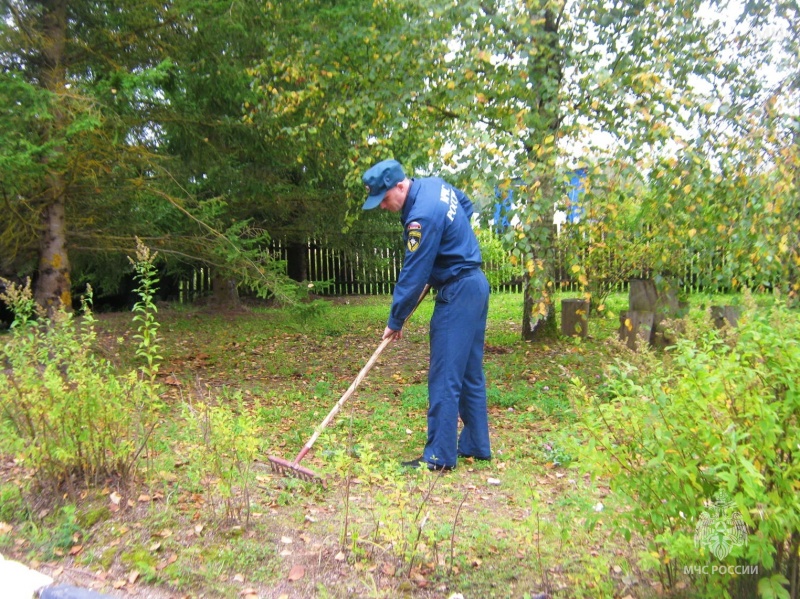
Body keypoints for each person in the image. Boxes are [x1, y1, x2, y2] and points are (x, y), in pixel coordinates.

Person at [361, 158, 492, 471]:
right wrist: (453, 239)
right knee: (469, 373)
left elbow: (414, 273)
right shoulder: (435, 185)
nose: (382, 207)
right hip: (475, 285)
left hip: (458, 293)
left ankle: (439, 456)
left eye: (383, 199)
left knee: (445, 376)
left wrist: (396, 319)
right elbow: (466, 204)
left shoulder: (420, 217)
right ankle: (475, 444)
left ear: (400, 185)